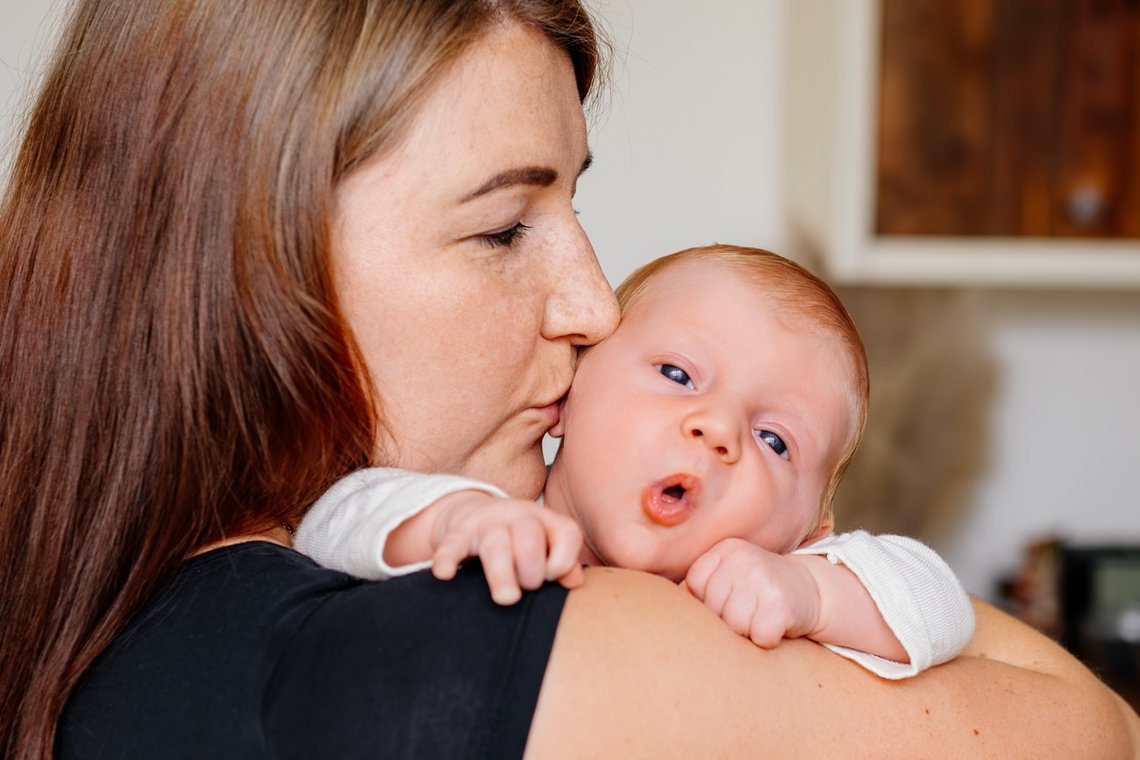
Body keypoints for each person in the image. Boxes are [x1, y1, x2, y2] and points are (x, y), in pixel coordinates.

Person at [0, 0, 1136, 758]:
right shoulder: (481, 641)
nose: (597, 307)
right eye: (503, 230)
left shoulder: (135, 648)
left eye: (574, 207)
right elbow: (1092, 728)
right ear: (247, 264)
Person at [296, 244, 974, 677]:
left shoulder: (764, 584)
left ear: (810, 528)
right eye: (678, 375)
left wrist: (814, 594)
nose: (716, 430)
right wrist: (453, 520)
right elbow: (332, 521)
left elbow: (943, 608)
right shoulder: (497, 522)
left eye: (776, 441)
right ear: (571, 391)